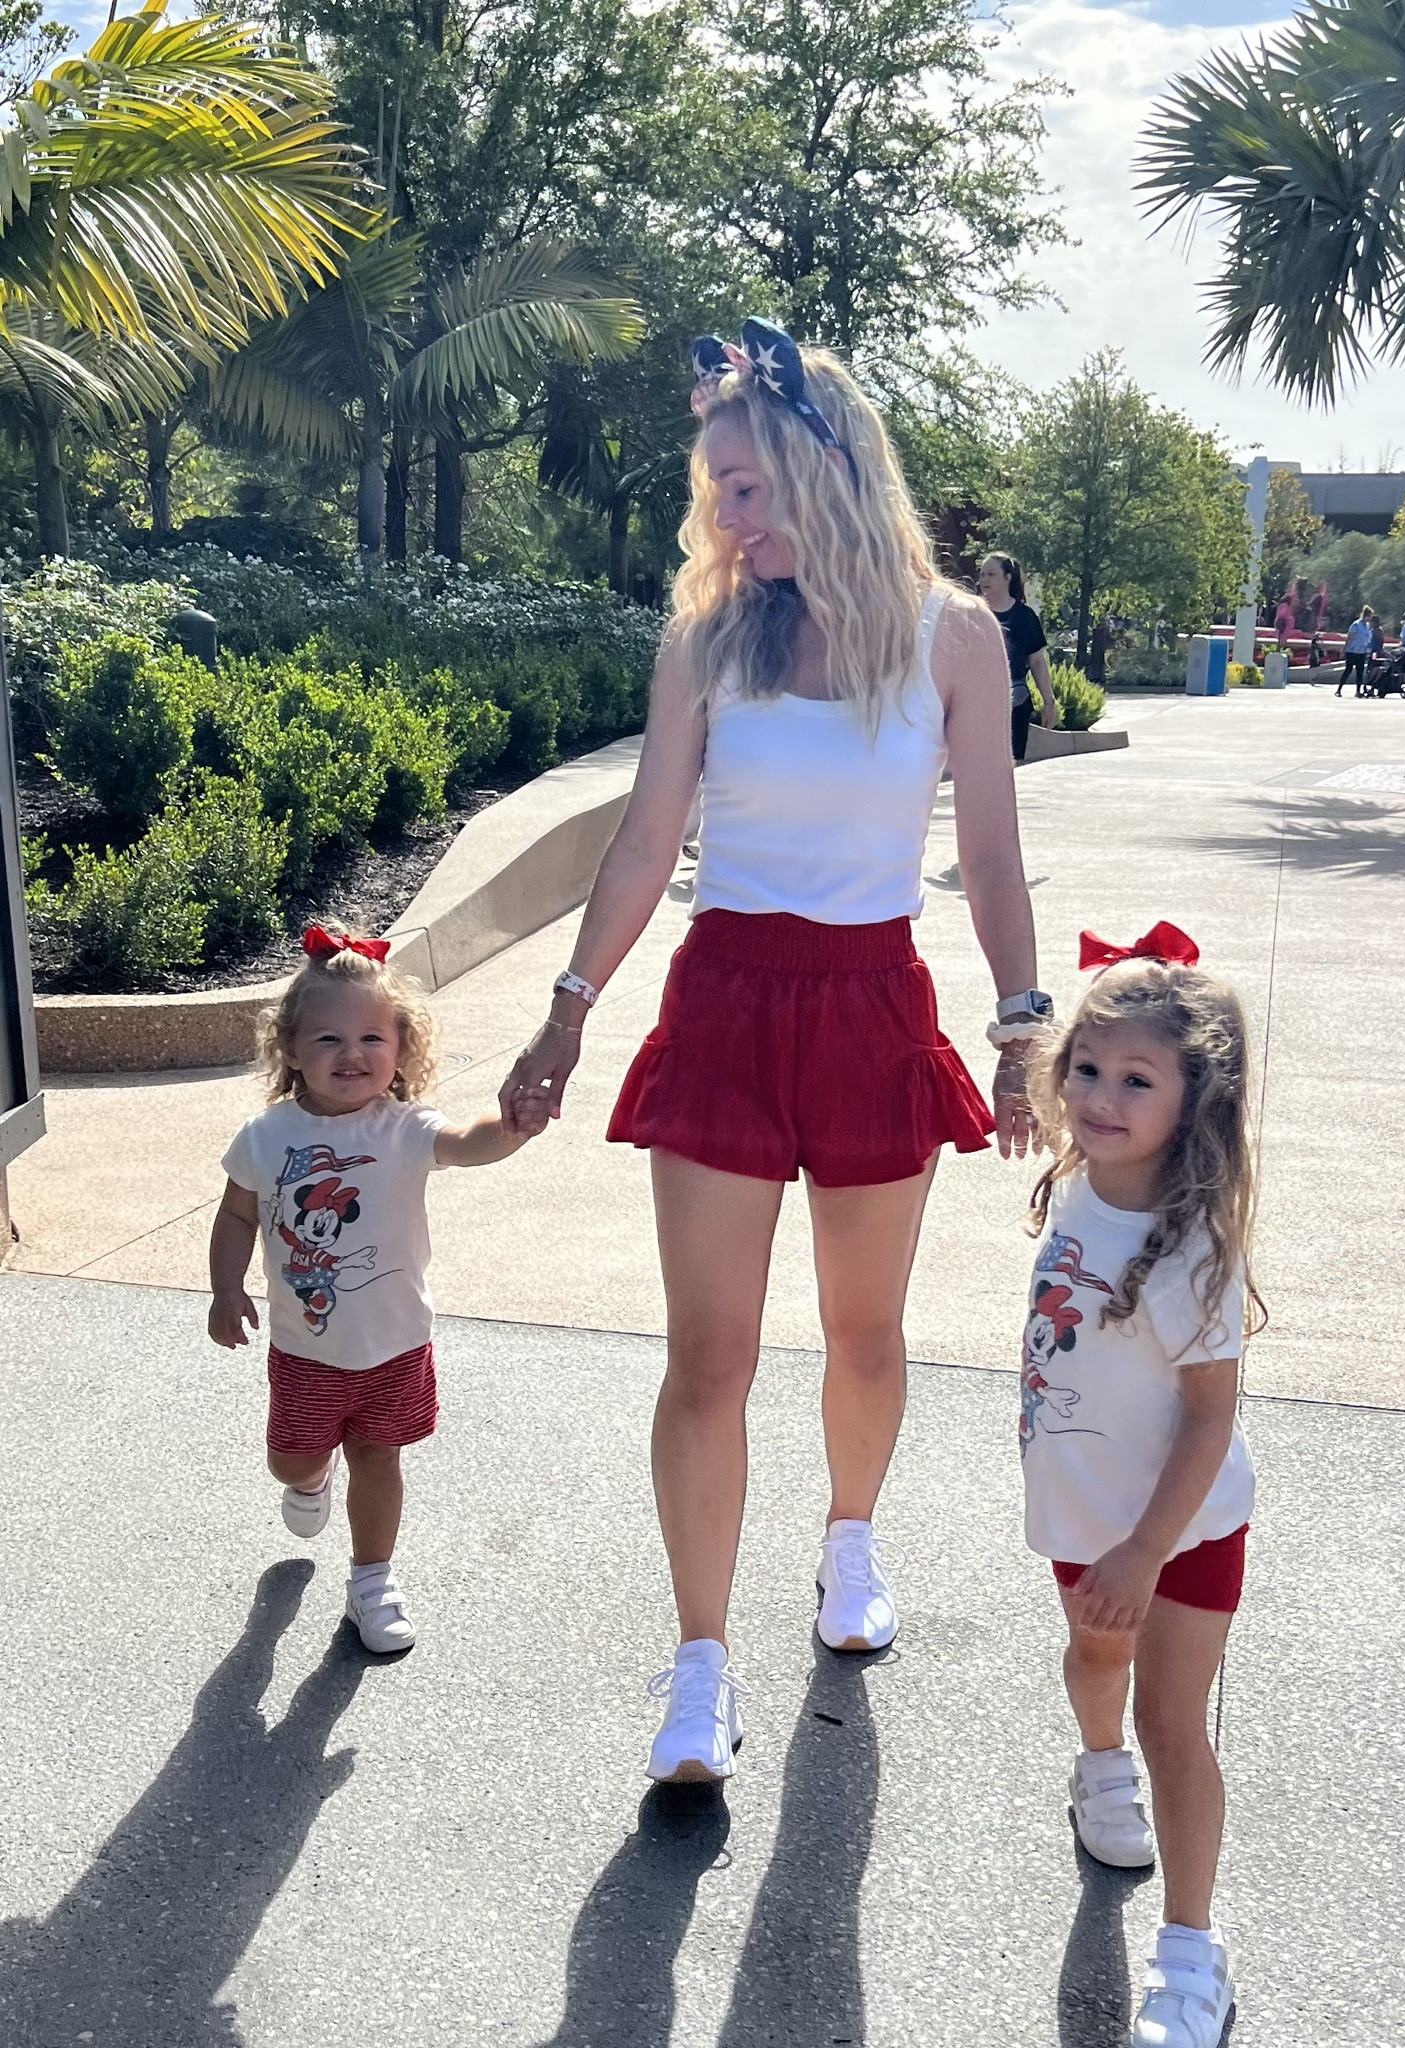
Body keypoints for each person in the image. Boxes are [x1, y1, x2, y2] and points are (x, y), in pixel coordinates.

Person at [497, 318, 1045, 1784]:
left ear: (824, 465)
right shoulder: (704, 637)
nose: (723, 520)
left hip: (872, 1002)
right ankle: (697, 1667)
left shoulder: (953, 639)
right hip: (726, 1002)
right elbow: (640, 842)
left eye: (743, 487)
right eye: (714, 494)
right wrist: (565, 1011)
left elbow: (989, 853)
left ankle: (848, 1540)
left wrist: (1018, 1021)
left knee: (864, 1335)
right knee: (707, 1359)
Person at [1018, 922, 1263, 2048]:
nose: (1102, 1096)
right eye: (1088, 1068)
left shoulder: (1192, 1245)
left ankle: (1190, 1954)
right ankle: (1095, 1764)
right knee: (1094, 1658)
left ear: (1193, 1098)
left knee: (1177, 1723)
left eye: (1136, 1078)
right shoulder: (1078, 1182)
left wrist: (1144, 1551)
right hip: (1085, 1508)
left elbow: (1211, 1419)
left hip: (1180, 1524)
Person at [208, 926, 532, 1652]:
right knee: (290, 1459)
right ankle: (308, 1476)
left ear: (401, 1048)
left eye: (370, 1039)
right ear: (291, 1049)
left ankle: (372, 1580)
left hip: (395, 1344)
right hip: (305, 1349)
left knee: (381, 1458)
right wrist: (226, 1287)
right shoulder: (265, 1138)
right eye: (328, 1040)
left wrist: (510, 1127)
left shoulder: (406, 1128)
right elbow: (234, 1215)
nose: (351, 1055)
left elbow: (467, 1142)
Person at [978, 552, 1058, 761]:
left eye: (991, 574)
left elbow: (1037, 661)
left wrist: (1048, 702)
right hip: (976, 703)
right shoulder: (971, 614)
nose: (984, 579)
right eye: (982, 574)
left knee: (1009, 765)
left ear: (1007, 578)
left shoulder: (1025, 617)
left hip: (1015, 701)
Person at [1337, 607, 1373, 695]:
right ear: (1366, 615)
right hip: (1352, 651)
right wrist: (1345, 648)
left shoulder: (1367, 626)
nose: (1370, 618)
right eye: (1370, 616)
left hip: (1361, 651)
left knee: (1360, 671)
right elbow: (1349, 637)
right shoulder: (1356, 625)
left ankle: (1358, 691)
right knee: (1348, 670)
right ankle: (1339, 689)